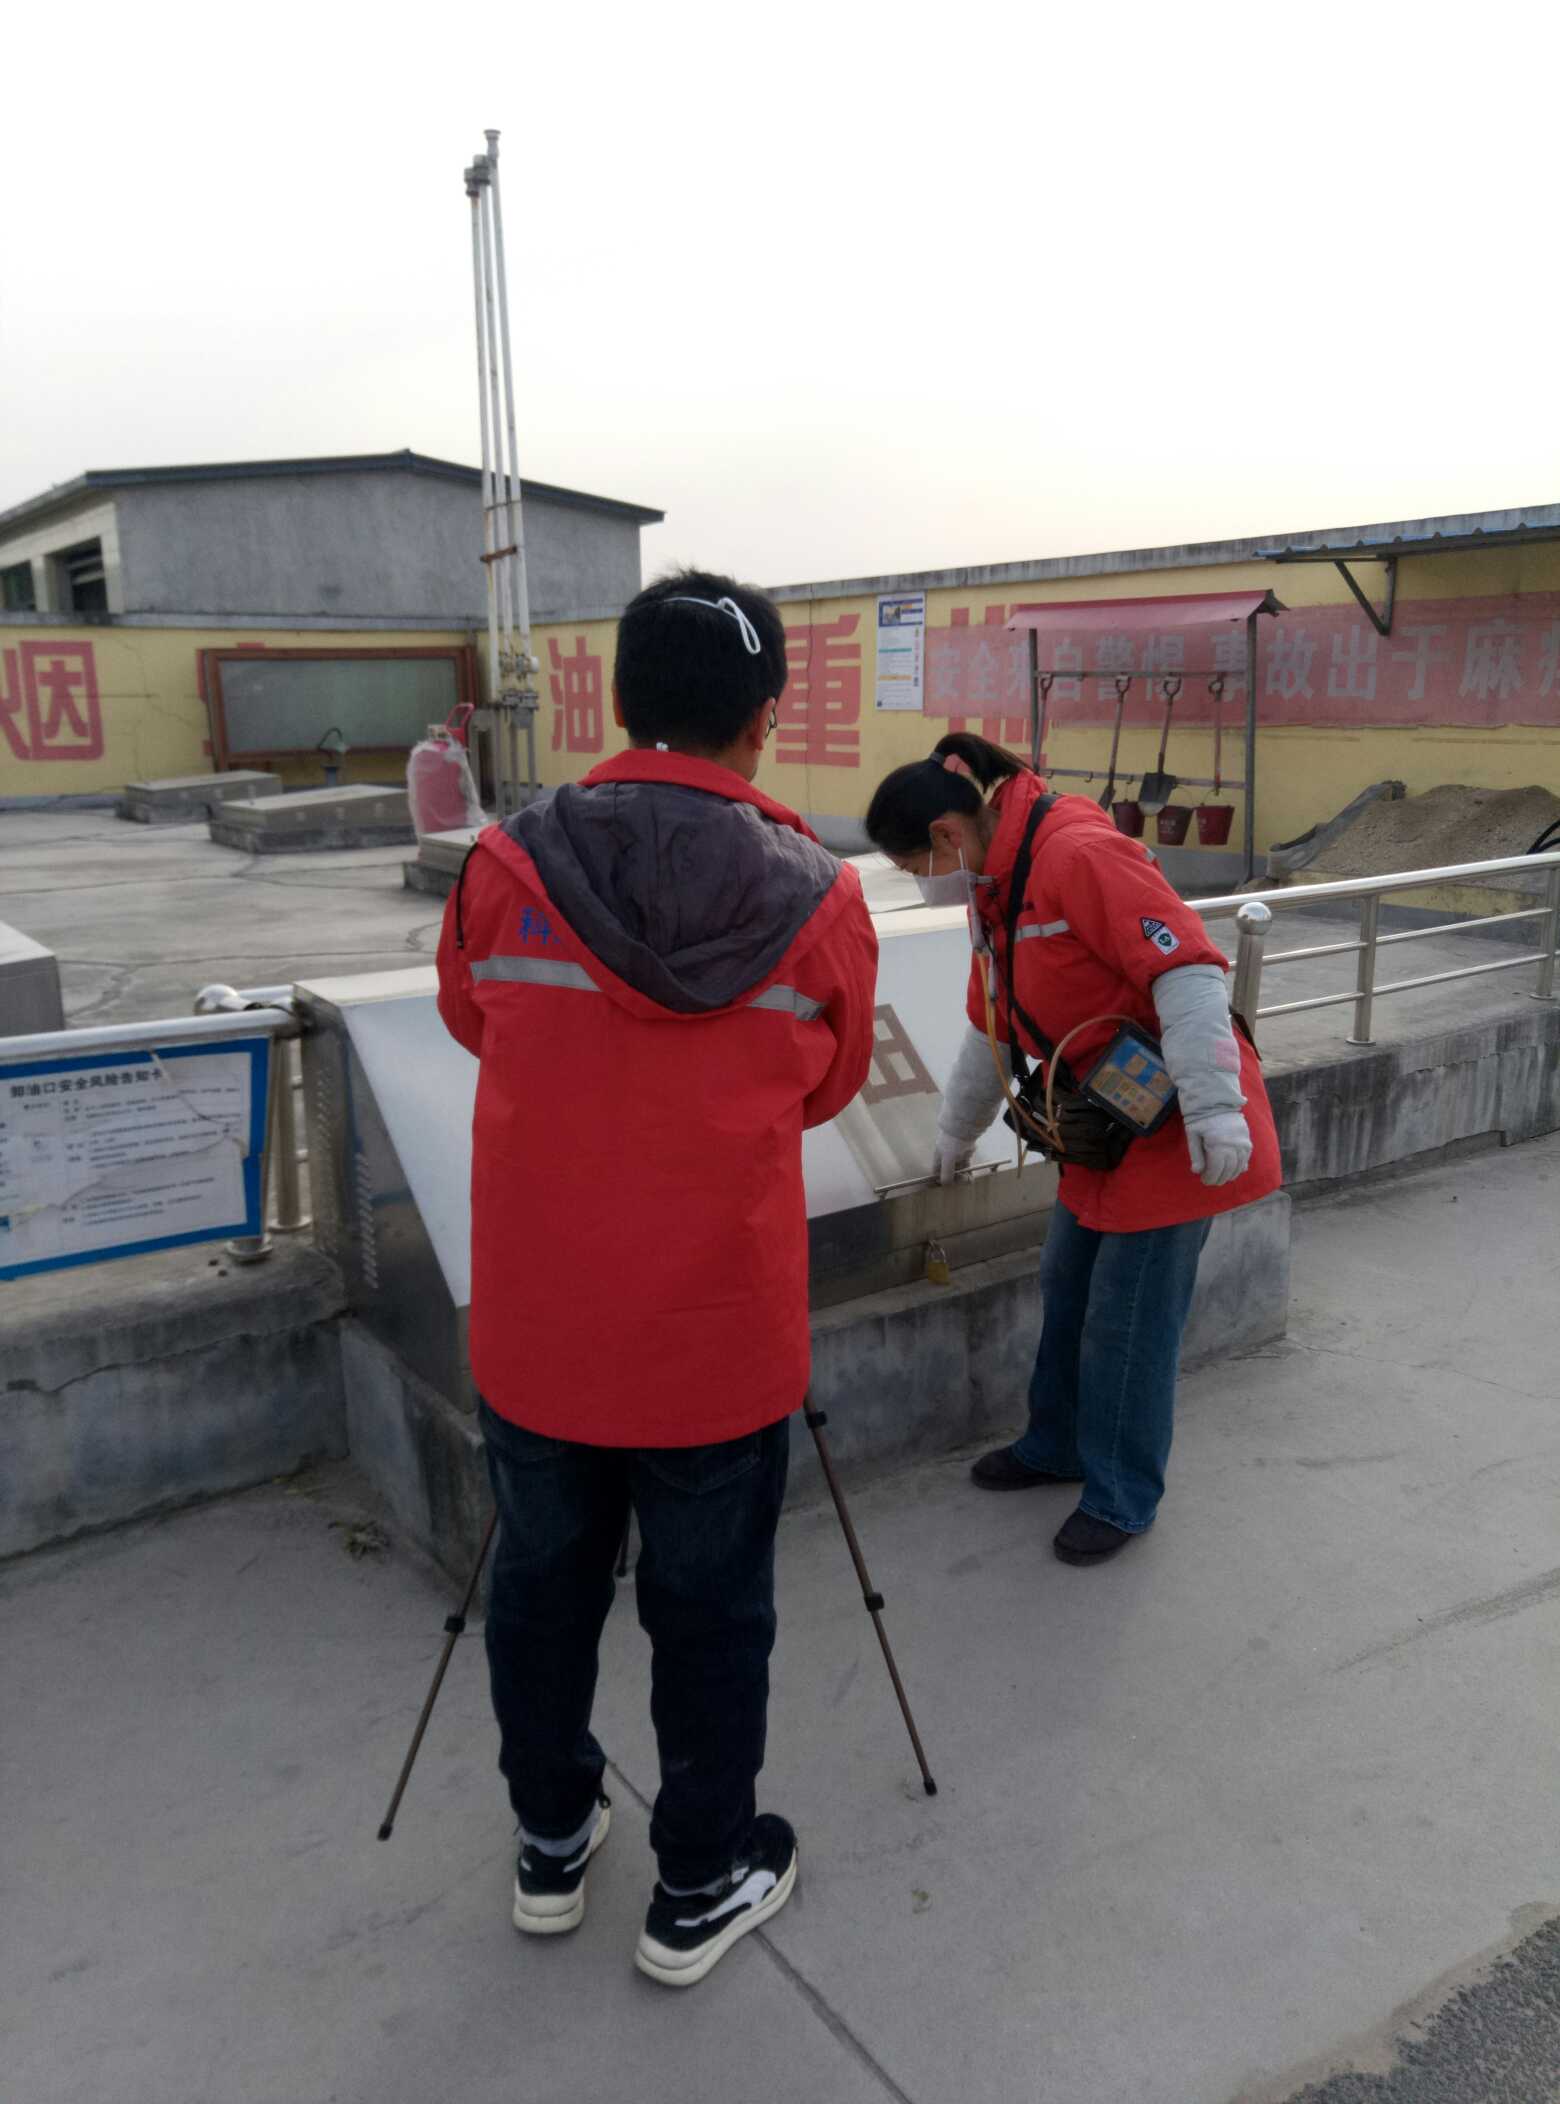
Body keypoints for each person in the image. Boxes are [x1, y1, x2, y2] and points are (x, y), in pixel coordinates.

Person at [435, 569, 877, 1986]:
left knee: (541, 1590)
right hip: (716, 1346)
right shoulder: (821, 896)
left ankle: (552, 1839)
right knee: (711, 1613)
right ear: (765, 717)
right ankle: (699, 1880)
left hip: (539, 1336)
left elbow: (470, 1021)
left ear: (619, 702)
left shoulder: (504, 866)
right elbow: (826, 1088)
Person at [864, 731, 1280, 1567]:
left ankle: (1122, 1497)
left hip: (1174, 1126)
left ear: (947, 833)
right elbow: (992, 1020)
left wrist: (1214, 1108)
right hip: (1104, 1124)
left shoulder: (1079, 854)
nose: (918, 883)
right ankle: (1055, 1444)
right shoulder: (997, 887)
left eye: (914, 867)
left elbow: (1189, 973)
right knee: (1067, 1287)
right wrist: (956, 1131)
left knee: (1128, 1321)